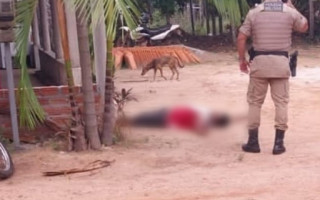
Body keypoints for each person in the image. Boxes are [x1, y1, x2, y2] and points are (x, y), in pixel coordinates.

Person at [237, 0, 308, 155]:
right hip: (281, 64)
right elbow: (304, 26)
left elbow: (241, 37)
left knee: (255, 103)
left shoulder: (254, 13)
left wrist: (242, 60)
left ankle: (253, 142)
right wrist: (292, 6)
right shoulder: (289, 12)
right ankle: (278, 144)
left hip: (259, 64)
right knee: (281, 103)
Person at [130, 105, 232, 135]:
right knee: (142, 119)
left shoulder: (205, 116)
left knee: (141, 120)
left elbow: (199, 130)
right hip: (169, 115)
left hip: (168, 118)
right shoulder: (206, 116)